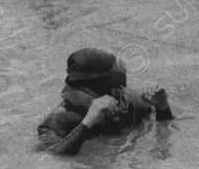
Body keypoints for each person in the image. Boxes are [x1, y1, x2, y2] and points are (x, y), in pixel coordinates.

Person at [37, 48, 174, 155]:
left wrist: (162, 106)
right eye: (114, 90)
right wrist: (87, 122)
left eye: (119, 89)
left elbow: (163, 131)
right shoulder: (59, 120)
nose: (120, 94)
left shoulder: (127, 101)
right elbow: (53, 154)